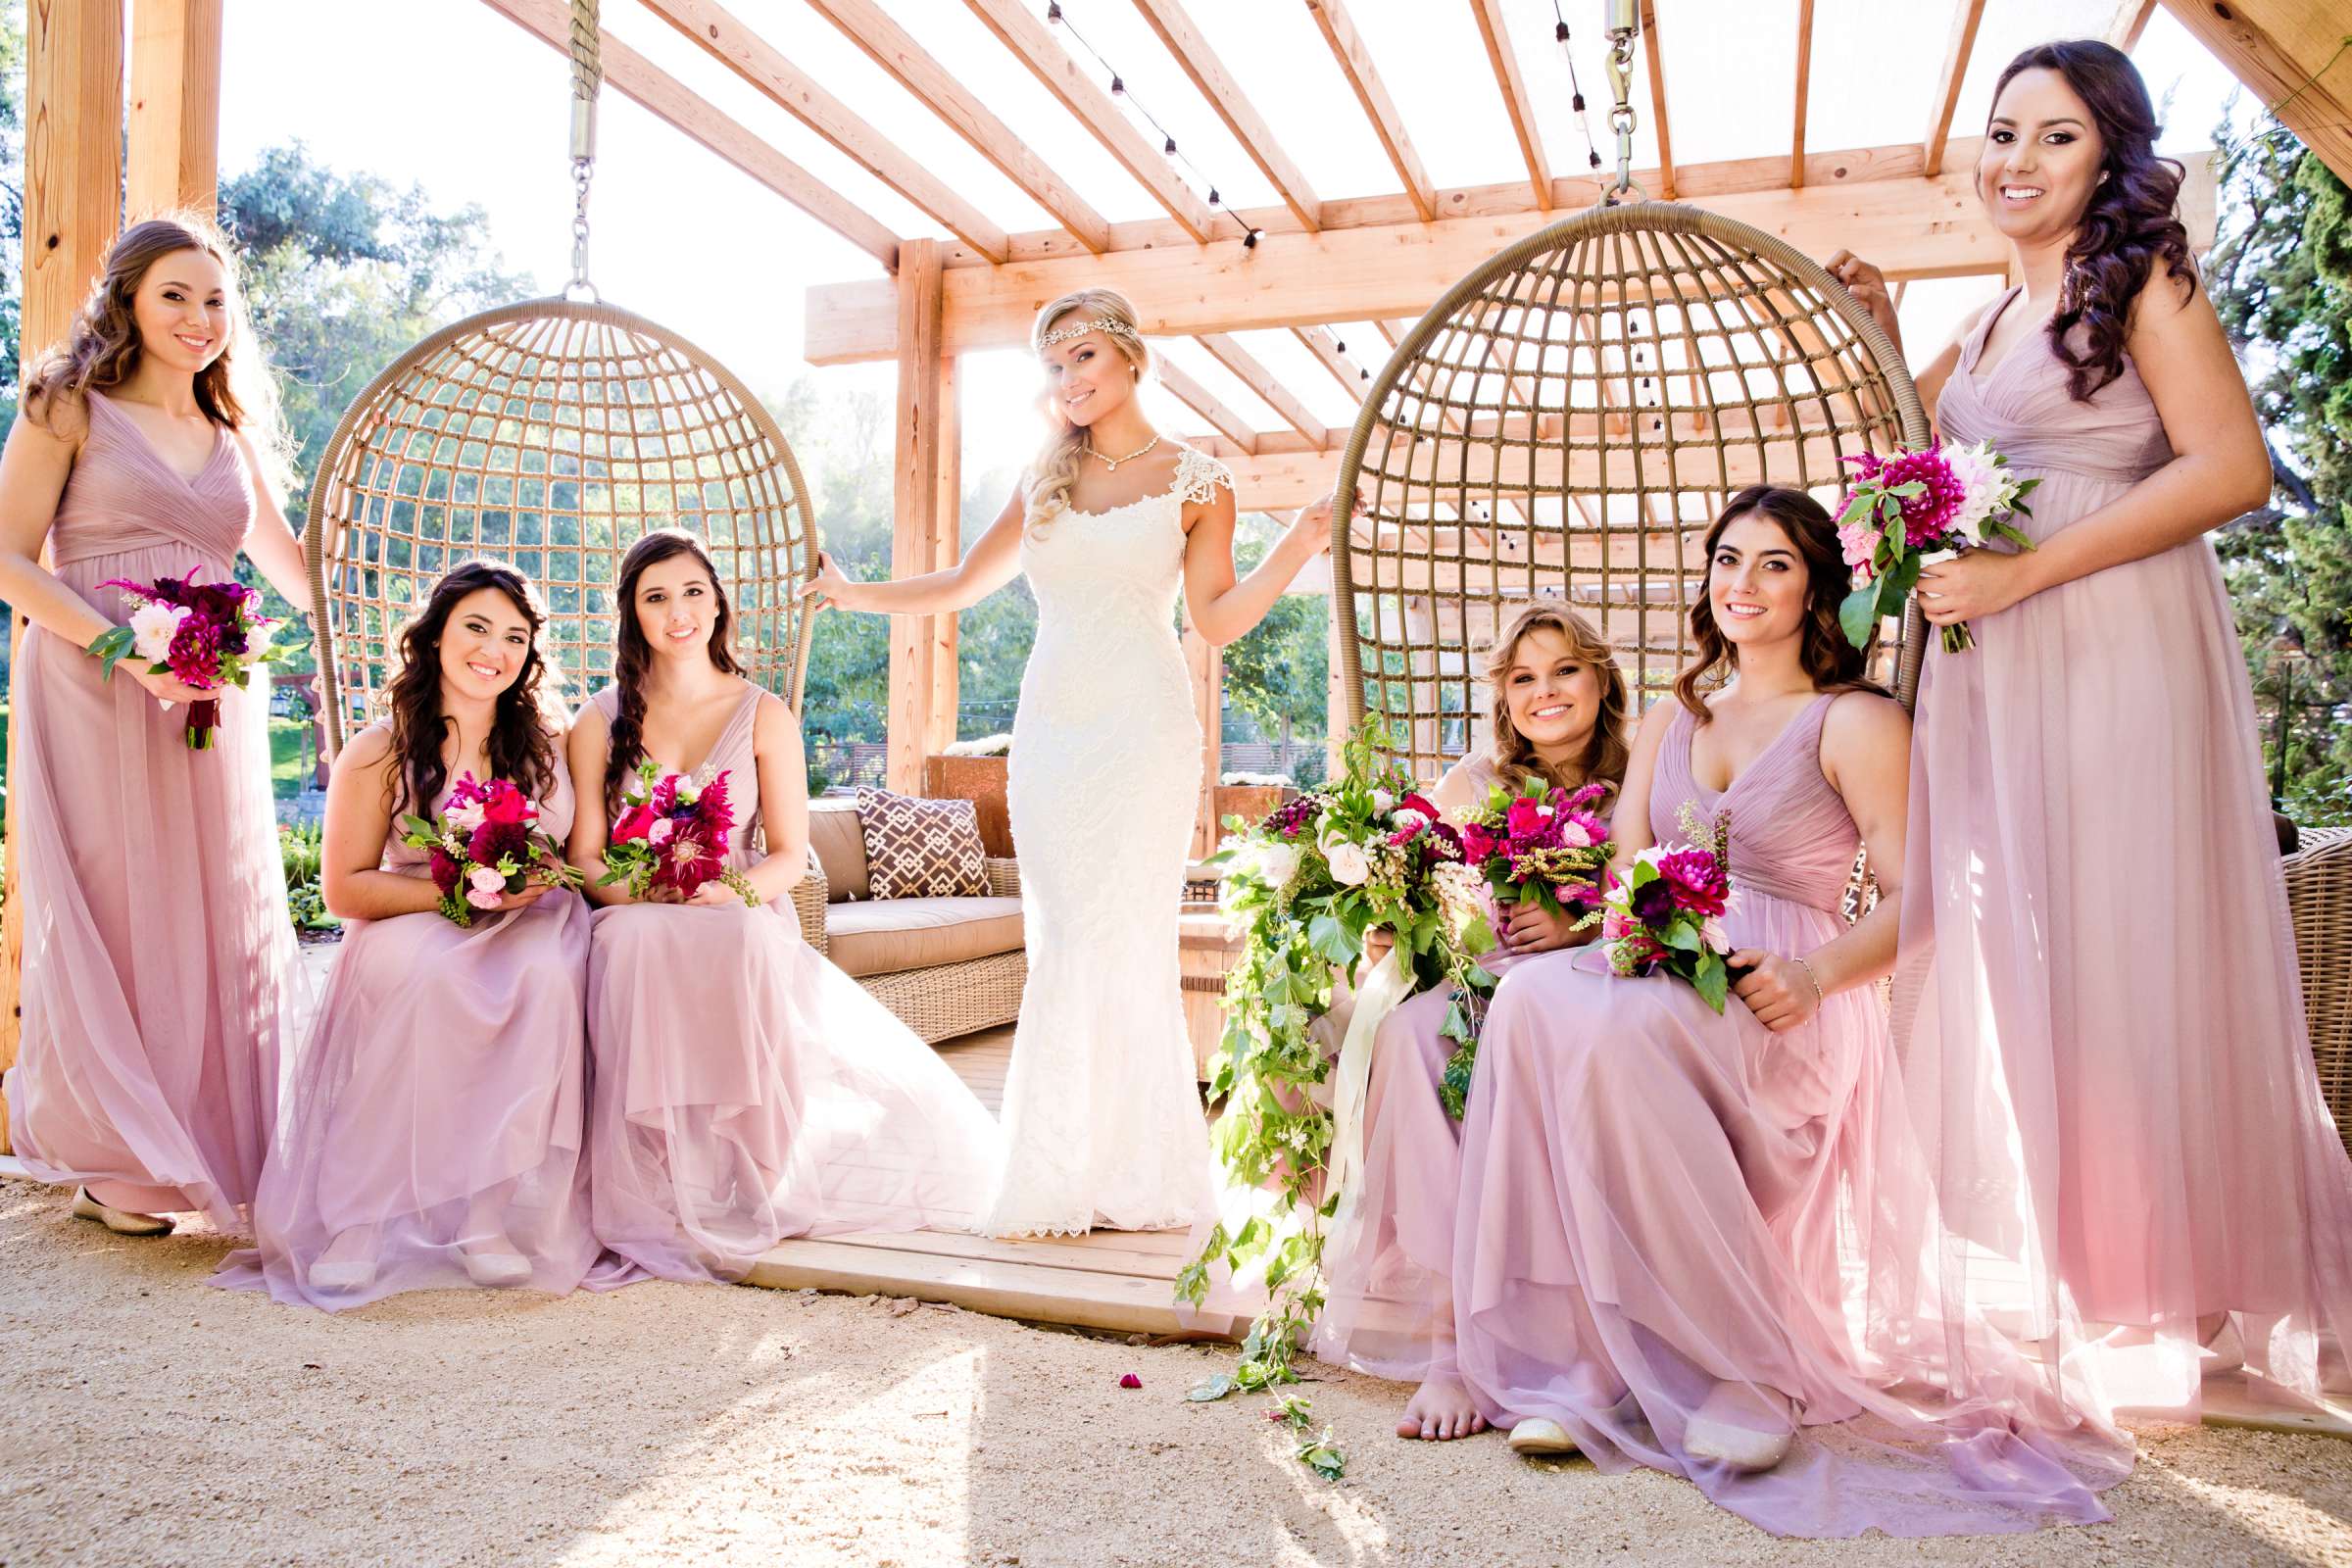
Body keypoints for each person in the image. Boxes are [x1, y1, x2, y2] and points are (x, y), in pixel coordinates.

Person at [1830, 38, 2352, 1419]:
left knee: (2130, 946)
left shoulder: (2146, 282)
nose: (2014, 159)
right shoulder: (1998, 313)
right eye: (2002, 133)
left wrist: (2020, 574)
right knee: (2032, 954)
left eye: (2053, 138)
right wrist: (1887, 335)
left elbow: (2234, 468)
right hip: (2004, 661)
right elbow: (1931, 450)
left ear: (2109, 156)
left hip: (2113, 643)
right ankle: (2127, 1269)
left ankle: (2205, 1277)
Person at [1449, 488, 2121, 1537]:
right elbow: (1627, 871)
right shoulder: (1675, 716)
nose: (1742, 584)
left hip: (1790, 997)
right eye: (1727, 559)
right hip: (1664, 966)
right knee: (1535, 999)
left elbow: (1927, 901)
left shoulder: (1854, 720)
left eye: (1772, 563)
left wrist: (1809, 980)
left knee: (1616, 1032)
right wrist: (1598, 931)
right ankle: (1593, 1348)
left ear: (1816, 585)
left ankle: (1744, 1370)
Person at [803, 288, 1340, 1238]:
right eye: (1054, 366)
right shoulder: (1045, 475)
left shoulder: (1200, 480)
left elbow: (1214, 618)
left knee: (1126, 938)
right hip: (1052, 736)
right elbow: (965, 581)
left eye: (1083, 356)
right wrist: (853, 594)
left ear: (1132, 357)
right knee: (1065, 940)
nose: (1069, 380)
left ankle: (1141, 1175)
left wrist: (1295, 542)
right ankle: (1054, 1175)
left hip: (1145, 737)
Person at [571, 531, 997, 1283]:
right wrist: (642, 888)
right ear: (632, 615)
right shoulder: (598, 721)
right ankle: (649, 1177)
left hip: (732, 898)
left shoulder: (763, 712)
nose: (679, 613)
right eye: (657, 597)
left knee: (738, 939)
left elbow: (788, 855)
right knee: (630, 940)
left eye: (693, 592)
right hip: (633, 902)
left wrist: (726, 891)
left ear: (718, 603)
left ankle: (759, 1173)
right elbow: (587, 858)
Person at [0, 215, 309, 1236]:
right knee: (116, 901)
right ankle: (114, 1157)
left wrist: (427, 607)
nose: (198, 317)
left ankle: (202, 1143)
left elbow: (301, 579)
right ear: (128, 296)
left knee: (208, 907)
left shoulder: (231, 440)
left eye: (216, 299)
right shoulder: (65, 407)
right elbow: (7, 559)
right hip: (90, 685)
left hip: (209, 701)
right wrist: (119, 650)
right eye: (175, 294)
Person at [217, 563, 596, 1306]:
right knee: (430, 977)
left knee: (545, 980)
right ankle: (362, 1218)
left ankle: (485, 1217)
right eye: (477, 628)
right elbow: (345, 887)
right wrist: (459, 892)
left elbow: (567, 858)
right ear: (435, 637)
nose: (495, 649)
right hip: (412, 911)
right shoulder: (380, 748)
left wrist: (526, 886)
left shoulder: (547, 748)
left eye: (515, 637)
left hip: (529, 921)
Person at [1308, 599, 1632, 1444]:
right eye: (1523, 678)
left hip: (1603, 983)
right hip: (1486, 981)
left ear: (1601, 677)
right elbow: (1412, 882)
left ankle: (1576, 1334)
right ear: (1502, 698)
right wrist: (1385, 915)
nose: (1546, 691)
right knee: (1412, 1036)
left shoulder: (1643, 776)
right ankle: (1456, 1338)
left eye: (1565, 670)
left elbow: (1668, 891)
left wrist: (1581, 923)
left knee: (1560, 1058)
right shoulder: (1474, 782)